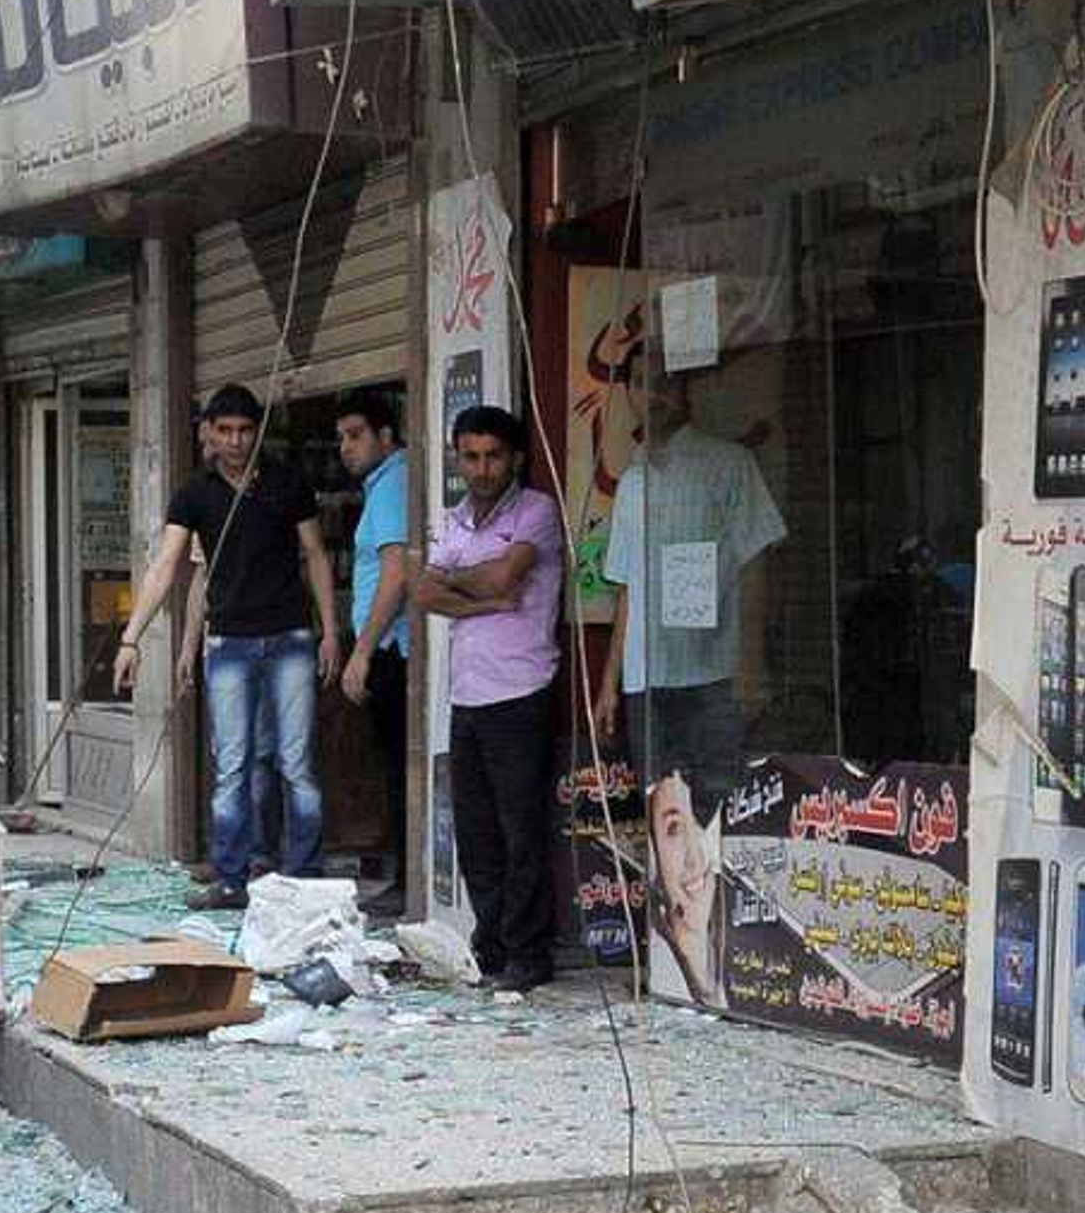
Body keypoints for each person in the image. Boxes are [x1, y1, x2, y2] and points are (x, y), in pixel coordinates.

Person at [114, 385, 342, 911]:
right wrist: (133, 638)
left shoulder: (287, 484)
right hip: (230, 644)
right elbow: (168, 567)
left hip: (290, 638)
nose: (236, 441)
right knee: (234, 765)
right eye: (226, 431)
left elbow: (315, 555)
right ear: (209, 433)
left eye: (245, 431)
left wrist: (330, 630)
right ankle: (232, 878)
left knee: (296, 762)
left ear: (257, 431)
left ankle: (304, 877)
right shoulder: (194, 493)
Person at [414, 405, 568, 992]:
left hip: (521, 690)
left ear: (516, 459)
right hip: (468, 695)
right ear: (458, 458)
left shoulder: (536, 512)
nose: (481, 469)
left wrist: (468, 580)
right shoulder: (455, 519)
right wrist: (479, 597)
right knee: (477, 830)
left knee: (521, 828)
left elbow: (507, 579)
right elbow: (425, 593)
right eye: (471, 456)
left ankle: (530, 953)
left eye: (493, 456)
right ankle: (494, 945)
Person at [599, 369, 784, 790]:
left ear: (686, 391)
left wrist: (751, 665)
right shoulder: (631, 481)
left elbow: (756, 560)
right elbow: (628, 587)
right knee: (661, 812)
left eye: (665, 384)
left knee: (715, 809)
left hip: (713, 678)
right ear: (628, 392)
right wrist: (609, 684)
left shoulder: (728, 463)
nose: (654, 396)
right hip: (645, 680)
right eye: (642, 383)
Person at [334, 390, 412, 899]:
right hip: (386, 647)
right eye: (341, 438)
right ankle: (406, 874)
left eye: (356, 436)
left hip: (390, 651)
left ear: (386, 436)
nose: (345, 447)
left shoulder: (391, 485)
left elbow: (396, 572)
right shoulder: (385, 483)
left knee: (399, 767)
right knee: (392, 765)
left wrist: (362, 651)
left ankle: (409, 878)